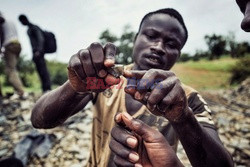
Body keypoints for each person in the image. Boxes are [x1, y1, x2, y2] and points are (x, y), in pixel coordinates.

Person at [31, 8, 233, 166]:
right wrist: (75, 87)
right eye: (151, 36)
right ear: (135, 39)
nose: (158, 47)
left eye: (171, 44)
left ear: (178, 55)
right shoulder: (104, 79)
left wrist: (183, 117)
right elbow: (39, 120)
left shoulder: (186, 99)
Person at [18, 14, 51, 93]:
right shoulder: (29, 29)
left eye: (21, 21)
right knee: (40, 70)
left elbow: (40, 38)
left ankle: (47, 89)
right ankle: (44, 89)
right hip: (35, 53)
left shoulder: (34, 27)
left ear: (24, 19)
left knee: (43, 70)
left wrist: (39, 51)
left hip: (39, 52)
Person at [0, 12, 25, 98]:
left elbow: (2, 37)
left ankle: (20, 92)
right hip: (17, 45)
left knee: (10, 70)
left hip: (9, 45)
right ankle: (17, 91)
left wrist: (1, 48)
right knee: (14, 69)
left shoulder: (1, 24)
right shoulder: (11, 22)